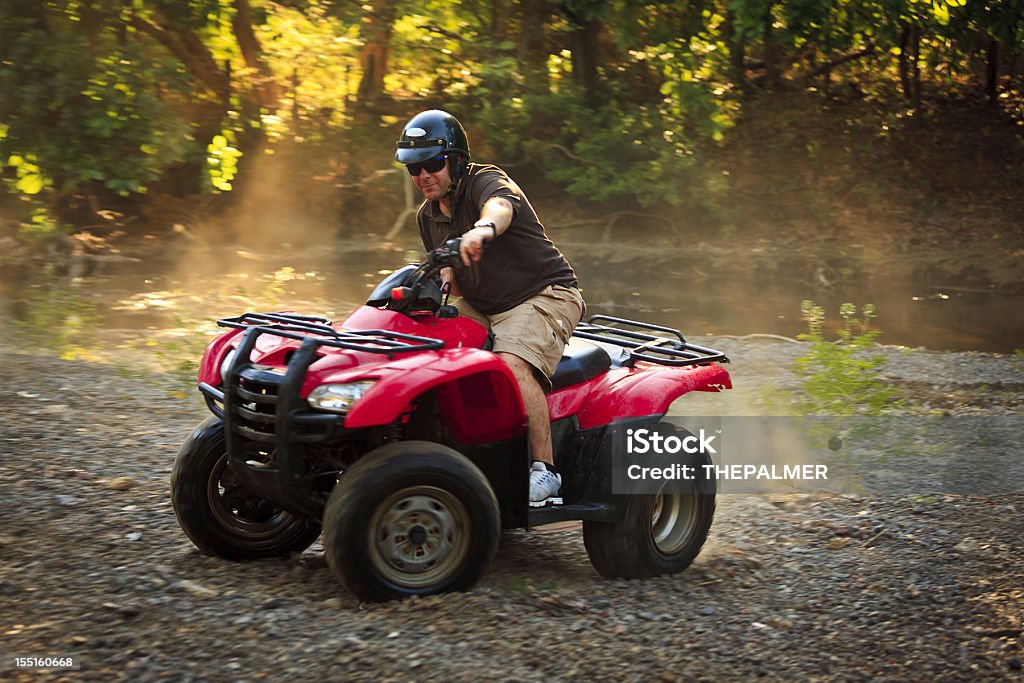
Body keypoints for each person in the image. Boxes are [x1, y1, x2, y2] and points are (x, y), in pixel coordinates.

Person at [395, 109, 584, 507]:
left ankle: (545, 473)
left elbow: (500, 207)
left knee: (510, 363)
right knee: (421, 348)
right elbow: (449, 275)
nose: (423, 175)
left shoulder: (487, 181)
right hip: (484, 304)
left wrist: (483, 229)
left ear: (457, 160)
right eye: (414, 168)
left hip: (543, 293)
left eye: (432, 163)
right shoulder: (427, 216)